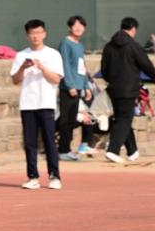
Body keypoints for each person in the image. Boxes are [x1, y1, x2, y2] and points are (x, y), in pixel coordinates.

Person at [99, 17, 155, 164]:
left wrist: (110, 80)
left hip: (113, 88)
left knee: (122, 118)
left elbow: (104, 69)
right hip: (128, 88)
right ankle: (113, 150)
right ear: (133, 29)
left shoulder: (109, 46)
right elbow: (145, 64)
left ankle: (133, 151)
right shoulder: (133, 46)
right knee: (124, 119)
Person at [11, 19, 64, 191]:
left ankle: (54, 176)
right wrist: (23, 68)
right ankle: (32, 176)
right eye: (32, 33)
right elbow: (15, 80)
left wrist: (42, 67)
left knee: (49, 141)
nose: (35, 36)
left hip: (46, 103)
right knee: (29, 143)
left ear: (44, 34)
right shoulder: (21, 55)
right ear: (28, 36)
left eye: (39, 33)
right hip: (27, 104)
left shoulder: (53, 54)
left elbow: (56, 79)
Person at [57, 15, 95, 161]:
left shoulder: (79, 45)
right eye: (75, 25)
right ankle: (63, 150)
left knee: (72, 119)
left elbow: (82, 66)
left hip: (79, 86)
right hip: (69, 87)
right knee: (66, 120)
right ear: (70, 27)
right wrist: (70, 85)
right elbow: (65, 65)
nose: (79, 28)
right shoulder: (65, 44)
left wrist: (86, 86)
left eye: (81, 26)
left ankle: (66, 149)